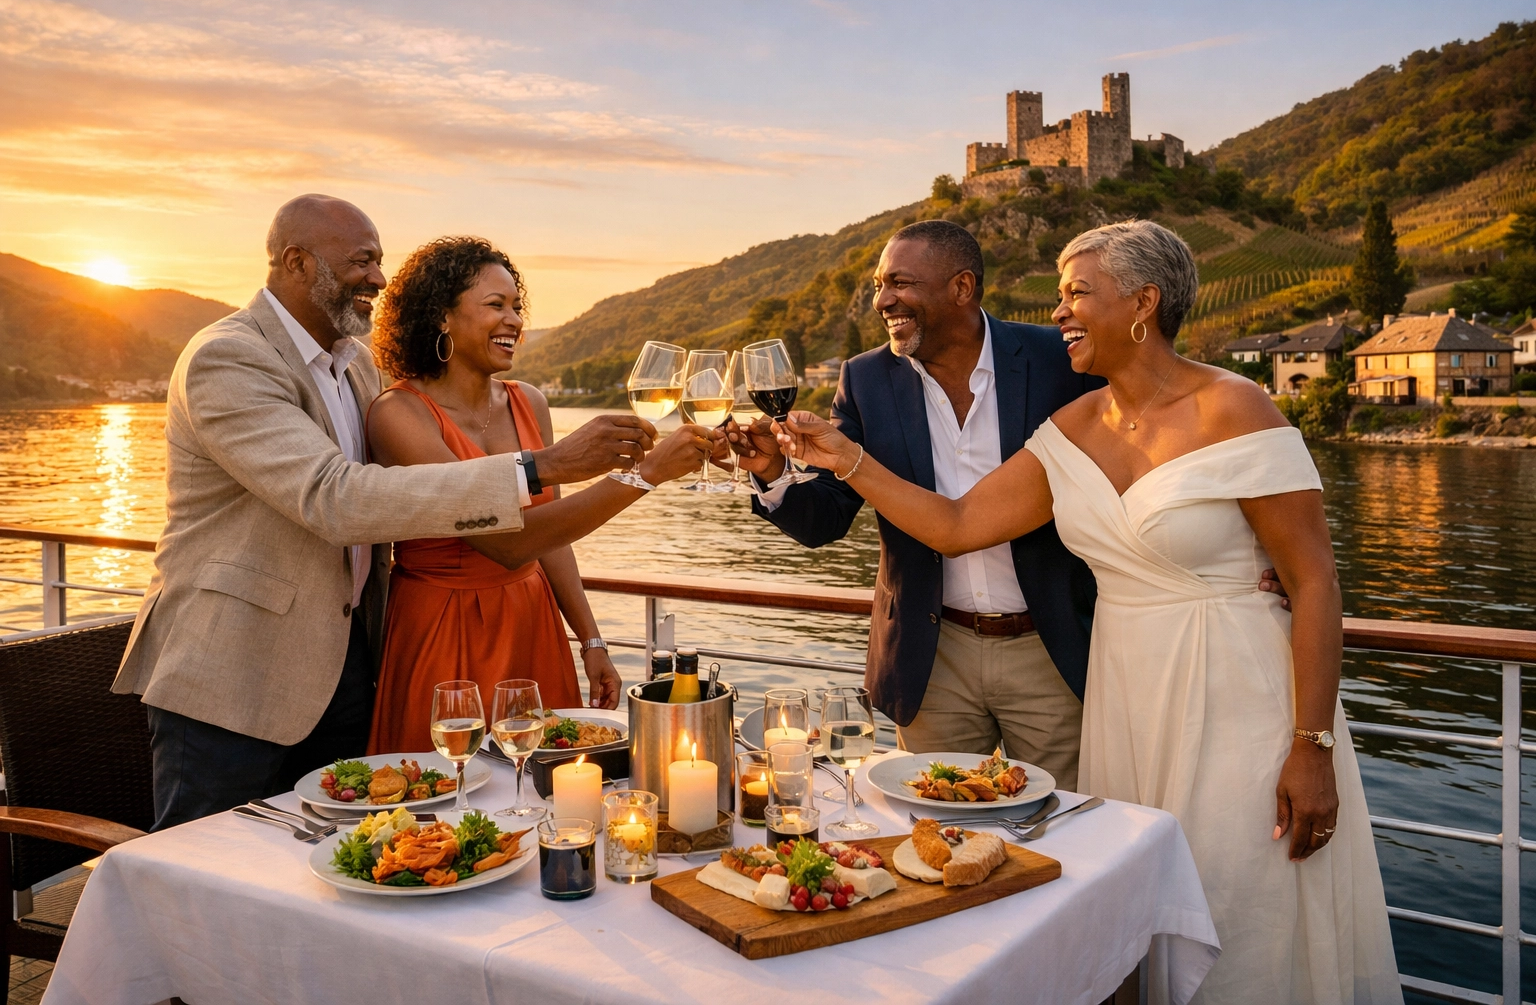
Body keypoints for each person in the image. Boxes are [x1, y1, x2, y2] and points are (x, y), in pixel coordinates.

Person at [777, 220, 1401, 1003]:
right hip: (1120, 696)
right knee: (1120, 901)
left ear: (1144, 302)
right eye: (1060, 294)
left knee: (1242, 897)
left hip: (1236, 696)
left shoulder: (1235, 405)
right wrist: (847, 459)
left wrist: (1312, 746)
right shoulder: (1074, 427)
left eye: (1077, 294)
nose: (1059, 311)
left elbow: (1314, 582)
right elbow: (959, 524)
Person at [114, 194, 711, 830]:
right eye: (362, 261)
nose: (378, 278)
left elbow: (531, 532)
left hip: (348, 665)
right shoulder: (229, 356)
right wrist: (550, 467)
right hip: (236, 672)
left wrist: (588, 635)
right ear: (296, 261)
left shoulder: (358, 365)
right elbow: (335, 497)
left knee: (344, 854)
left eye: (381, 263)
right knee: (200, 866)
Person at [728, 219, 1101, 789]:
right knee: (937, 830)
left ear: (961, 288)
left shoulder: (1058, 359)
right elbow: (827, 517)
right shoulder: (866, 379)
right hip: (933, 657)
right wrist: (773, 473)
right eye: (880, 285)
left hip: (1051, 649)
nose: (883, 300)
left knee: (1065, 824)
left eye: (900, 283)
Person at [364, 237, 706, 752]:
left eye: (517, 307)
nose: (514, 321)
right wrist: (647, 474)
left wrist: (590, 640)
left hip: (533, 622)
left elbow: (551, 535)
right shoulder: (398, 415)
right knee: (446, 800)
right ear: (442, 317)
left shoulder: (531, 402)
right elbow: (505, 542)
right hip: (442, 629)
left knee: (548, 786)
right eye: (495, 306)